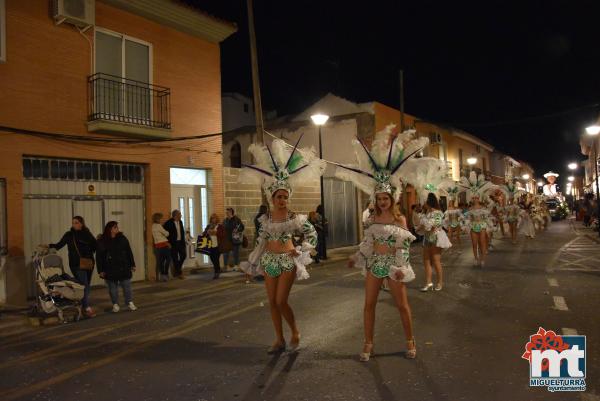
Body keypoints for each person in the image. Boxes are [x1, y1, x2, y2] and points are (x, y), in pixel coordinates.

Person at [336, 125, 428, 361]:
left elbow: (405, 246)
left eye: (386, 198)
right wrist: (356, 257)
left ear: (392, 198)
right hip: (375, 264)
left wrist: (400, 268)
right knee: (369, 305)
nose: (383, 201)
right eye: (380, 198)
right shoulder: (372, 218)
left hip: (394, 265)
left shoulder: (400, 218)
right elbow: (367, 242)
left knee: (402, 305)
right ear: (375, 199)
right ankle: (368, 344)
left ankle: (410, 340)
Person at [239, 137, 325, 354]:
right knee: (272, 303)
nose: (282, 200)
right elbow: (260, 243)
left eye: (285, 197)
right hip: (269, 261)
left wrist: (302, 249)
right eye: (278, 196)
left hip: (287, 260)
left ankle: (294, 330)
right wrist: (251, 266)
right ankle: (279, 339)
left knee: (281, 301)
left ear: (288, 197)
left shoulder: (295, 217)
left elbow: (312, 233)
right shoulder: (266, 219)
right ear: (272, 197)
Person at [48, 216, 97, 318]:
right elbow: (58, 245)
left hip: (88, 263)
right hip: (76, 264)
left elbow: (95, 246)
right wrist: (48, 246)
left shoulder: (87, 233)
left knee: (86, 285)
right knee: (84, 285)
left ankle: (82, 303)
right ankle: (86, 307)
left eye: (76, 222)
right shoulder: (69, 235)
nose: (74, 224)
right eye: (73, 223)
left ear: (81, 223)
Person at [96, 221, 137, 313]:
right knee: (112, 288)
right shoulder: (102, 241)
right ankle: (115, 304)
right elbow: (99, 257)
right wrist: (100, 270)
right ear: (109, 229)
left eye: (117, 227)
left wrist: (132, 264)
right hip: (110, 268)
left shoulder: (122, 238)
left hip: (123, 266)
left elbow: (129, 252)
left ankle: (129, 302)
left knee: (127, 286)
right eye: (115, 227)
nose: (117, 228)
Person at [460, 172, 496, 267]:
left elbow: (488, 216)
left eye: (476, 197)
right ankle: (476, 259)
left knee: (482, 243)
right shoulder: (470, 209)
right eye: (473, 197)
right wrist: (464, 225)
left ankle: (483, 259)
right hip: (473, 226)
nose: (475, 199)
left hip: (482, 226)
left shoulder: (483, 208)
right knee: (474, 244)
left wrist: (490, 226)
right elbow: (466, 218)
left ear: (479, 198)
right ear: (472, 198)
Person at [418, 193, 451, 291]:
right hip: (427, 238)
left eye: (423, 201)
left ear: (428, 201)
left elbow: (434, 226)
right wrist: (421, 227)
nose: (422, 203)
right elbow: (424, 227)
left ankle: (440, 282)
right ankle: (428, 283)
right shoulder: (426, 213)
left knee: (436, 261)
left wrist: (424, 226)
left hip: (436, 238)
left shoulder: (437, 213)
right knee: (426, 261)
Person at [163, 210, 186, 279]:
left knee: (183, 255)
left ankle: (177, 269)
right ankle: (179, 273)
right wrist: (168, 242)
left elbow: (182, 232)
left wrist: (183, 242)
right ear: (175, 215)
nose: (181, 216)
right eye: (180, 214)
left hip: (180, 242)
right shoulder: (168, 223)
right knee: (175, 258)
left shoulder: (180, 222)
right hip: (173, 243)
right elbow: (165, 234)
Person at [203, 213, 225, 279]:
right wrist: (207, 232)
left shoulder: (220, 226)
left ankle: (216, 272)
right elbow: (204, 233)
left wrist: (216, 233)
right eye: (212, 218)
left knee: (216, 258)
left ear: (217, 219)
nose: (213, 220)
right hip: (210, 244)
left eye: (214, 218)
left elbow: (223, 234)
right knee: (212, 258)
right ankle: (218, 269)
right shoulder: (208, 226)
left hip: (218, 245)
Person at [151, 212, 171, 282]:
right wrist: (166, 232)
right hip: (164, 245)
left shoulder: (153, 226)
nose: (162, 219)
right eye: (161, 218)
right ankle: (165, 274)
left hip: (157, 246)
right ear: (158, 219)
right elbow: (167, 234)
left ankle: (162, 276)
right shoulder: (159, 226)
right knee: (168, 259)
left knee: (160, 262)